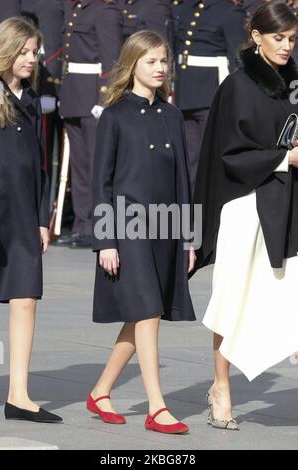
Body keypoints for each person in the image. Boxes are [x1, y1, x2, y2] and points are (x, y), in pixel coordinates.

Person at [193, 1, 298, 430]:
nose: (287, 47)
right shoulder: (237, 86)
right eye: (278, 38)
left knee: (287, 293)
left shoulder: (294, 82)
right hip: (243, 204)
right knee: (232, 302)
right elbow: (229, 155)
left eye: (292, 39)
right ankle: (221, 387)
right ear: (256, 36)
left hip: (287, 202)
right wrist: (284, 157)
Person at [89, 30, 196, 434]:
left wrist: (188, 237)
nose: (160, 68)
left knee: (141, 318)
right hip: (126, 227)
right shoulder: (113, 115)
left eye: (164, 61)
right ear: (133, 64)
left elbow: (183, 180)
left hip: (166, 227)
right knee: (148, 312)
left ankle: (100, 391)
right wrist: (105, 241)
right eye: (151, 61)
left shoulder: (172, 115)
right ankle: (157, 407)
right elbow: (100, 182)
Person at [0, 17, 62, 423]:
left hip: (23, 212)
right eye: (22, 51)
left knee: (24, 298)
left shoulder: (33, 98)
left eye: (34, 51)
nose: (31, 58)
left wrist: (43, 217)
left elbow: (40, 164)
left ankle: (18, 395)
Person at [58, 0, 123, 248]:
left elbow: (112, 60)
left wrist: (105, 99)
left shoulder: (105, 12)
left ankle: (99, 227)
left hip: (92, 95)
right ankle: (82, 224)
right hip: (74, 93)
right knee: (80, 166)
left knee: (97, 164)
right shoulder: (77, 10)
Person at [173, 0, 247, 194]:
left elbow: (237, 58)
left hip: (212, 93)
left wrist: (236, 97)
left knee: (212, 157)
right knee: (190, 158)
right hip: (185, 92)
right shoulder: (184, 8)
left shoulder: (230, 12)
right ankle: (190, 210)